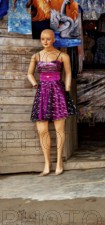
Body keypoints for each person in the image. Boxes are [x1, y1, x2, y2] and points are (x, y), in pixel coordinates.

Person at [27, 29, 75, 175]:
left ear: (54, 39)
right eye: (42, 39)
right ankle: (47, 164)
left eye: (48, 39)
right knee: (42, 130)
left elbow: (68, 73)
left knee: (60, 129)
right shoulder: (36, 56)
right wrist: (34, 83)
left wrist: (67, 88)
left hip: (58, 92)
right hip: (42, 93)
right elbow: (29, 73)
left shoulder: (63, 56)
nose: (45, 41)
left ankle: (59, 162)